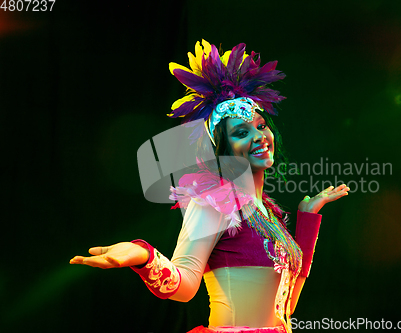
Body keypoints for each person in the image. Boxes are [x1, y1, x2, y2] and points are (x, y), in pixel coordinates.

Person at [70, 40, 350, 333]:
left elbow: (287, 306)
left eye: (261, 125)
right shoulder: (215, 201)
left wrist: (307, 219)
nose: (259, 136)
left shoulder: (269, 215)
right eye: (242, 132)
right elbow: (185, 285)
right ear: (224, 148)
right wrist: (144, 256)